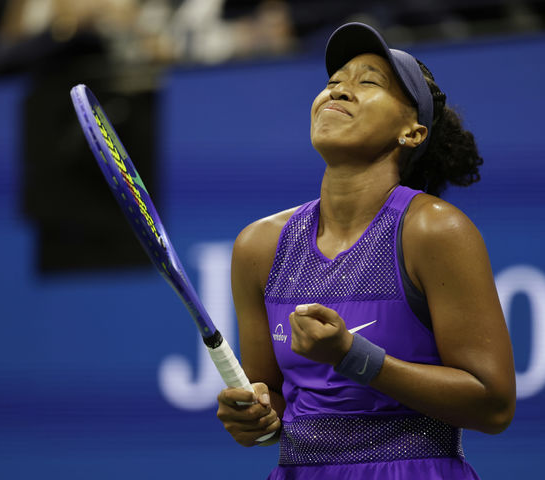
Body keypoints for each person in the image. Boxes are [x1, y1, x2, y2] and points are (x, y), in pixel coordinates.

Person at [216, 21, 516, 479]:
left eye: (368, 82)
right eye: (333, 82)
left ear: (412, 132)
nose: (338, 90)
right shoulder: (258, 246)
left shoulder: (434, 230)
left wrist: (352, 355)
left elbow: (494, 406)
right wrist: (254, 417)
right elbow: (270, 400)